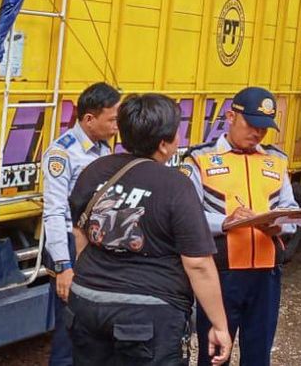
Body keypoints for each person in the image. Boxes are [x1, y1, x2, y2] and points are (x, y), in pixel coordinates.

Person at [66, 94, 233, 365]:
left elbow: (80, 235)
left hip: (87, 303)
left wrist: (87, 281)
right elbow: (198, 264)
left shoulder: (95, 171)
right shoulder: (176, 186)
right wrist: (220, 325)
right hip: (148, 314)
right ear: (164, 144)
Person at [182, 86, 299, 366]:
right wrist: (224, 222)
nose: (258, 134)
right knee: (213, 356)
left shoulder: (277, 160)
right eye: (252, 125)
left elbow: (292, 211)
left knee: (258, 356)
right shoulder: (200, 159)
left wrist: (279, 225)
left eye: (264, 128)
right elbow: (187, 217)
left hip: (266, 273)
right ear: (230, 116)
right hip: (220, 273)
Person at [42, 82, 121, 366]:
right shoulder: (62, 154)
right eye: (112, 119)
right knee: (68, 335)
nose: (117, 125)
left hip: (96, 245)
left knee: (93, 334)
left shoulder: (104, 150)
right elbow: (53, 212)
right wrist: (63, 266)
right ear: (89, 119)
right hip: (69, 247)